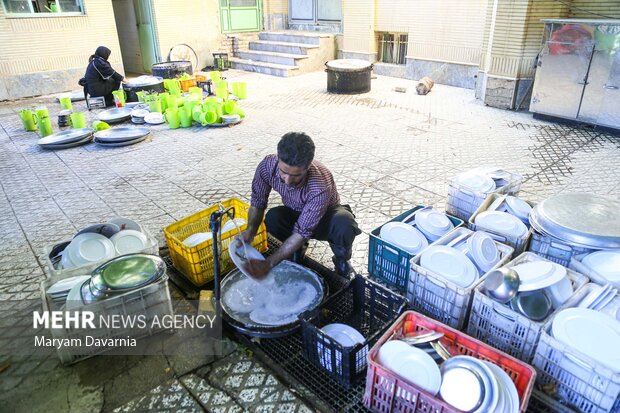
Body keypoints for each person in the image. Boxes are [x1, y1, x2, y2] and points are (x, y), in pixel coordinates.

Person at [239, 132, 361, 279]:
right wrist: (250, 230)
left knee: (344, 223)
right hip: (296, 212)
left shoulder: (319, 184)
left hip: (326, 219)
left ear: (308, 166)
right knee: (273, 217)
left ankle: (342, 260)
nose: (288, 180)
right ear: (278, 159)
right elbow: (258, 201)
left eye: (296, 175)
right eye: (283, 172)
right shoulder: (267, 166)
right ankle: (297, 250)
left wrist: (268, 264)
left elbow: (302, 232)